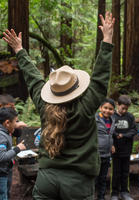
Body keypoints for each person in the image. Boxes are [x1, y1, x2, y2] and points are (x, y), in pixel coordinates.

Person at [2, 11, 114, 200]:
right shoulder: (86, 105)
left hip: (46, 179)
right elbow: (100, 78)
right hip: (77, 182)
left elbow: (33, 78)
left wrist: (20, 50)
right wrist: (107, 41)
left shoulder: (44, 104)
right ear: (77, 86)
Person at [0, 94, 27, 200]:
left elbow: (16, 132)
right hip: (1, 171)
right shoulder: (2, 134)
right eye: (10, 106)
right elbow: (1, 156)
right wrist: (17, 149)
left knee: (6, 191)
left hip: (6, 169)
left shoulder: (5, 126)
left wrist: (15, 124)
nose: (13, 108)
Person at [111, 95, 137, 200]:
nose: (124, 110)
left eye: (126, 109)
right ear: (118, 104)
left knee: (125, 172)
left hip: (126, 149)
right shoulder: (112, 116)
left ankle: (125, 192)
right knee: (116, 172)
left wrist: (123, 135)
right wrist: (115, 135)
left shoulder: (130, 117)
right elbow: (109, 130)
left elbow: (134, 130)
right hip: (115, 150)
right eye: (123, 108)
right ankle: (114, 193)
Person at [95, 98, 116, 200]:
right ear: (100, 108)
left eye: (110, 109)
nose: (107, 110)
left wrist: (111, 145)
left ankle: (101, 197)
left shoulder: (112, 120)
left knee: (103, 178)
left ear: (113, 110)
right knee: (94, 177)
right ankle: (90, 196)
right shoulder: (95, 119)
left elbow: (110, 135)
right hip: (96, 154)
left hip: (107, 155)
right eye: (105, 108)